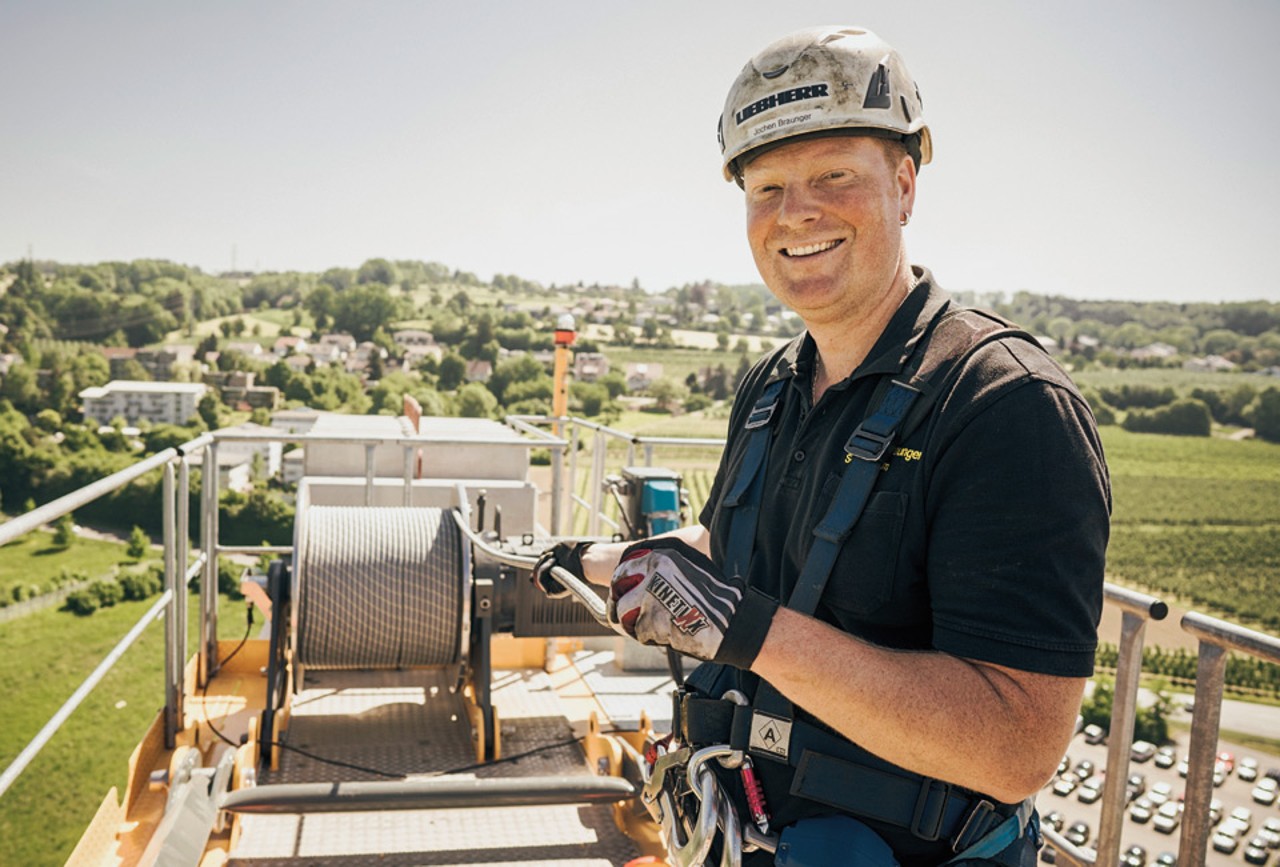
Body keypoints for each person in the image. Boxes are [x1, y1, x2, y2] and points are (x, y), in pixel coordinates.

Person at [534, 25, 1109, 867]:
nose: (794, 213)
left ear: (905, 184)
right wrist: (596, 558)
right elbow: (736, 553)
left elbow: (1015, 746)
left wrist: (746, 629)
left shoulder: (1004, 406)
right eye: (766, 187)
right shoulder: (771, 388)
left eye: (833, 175)